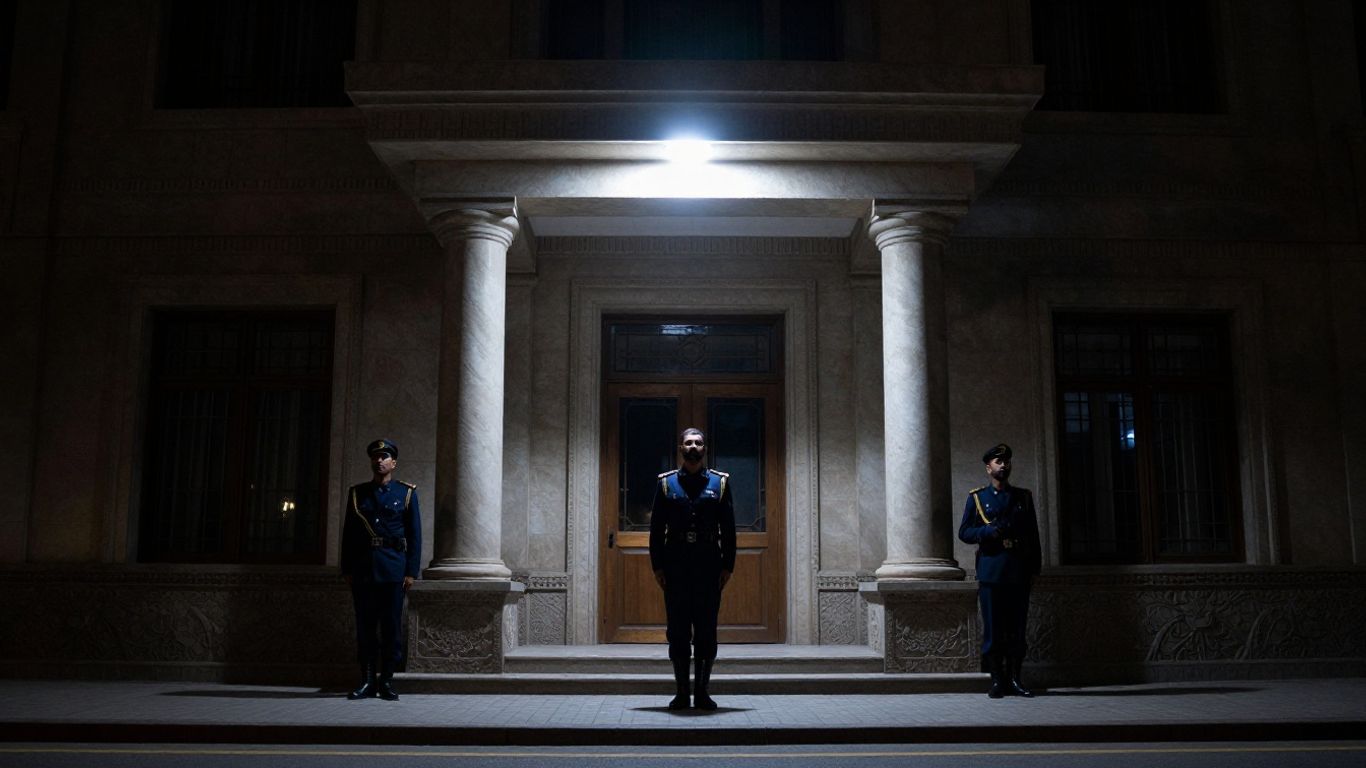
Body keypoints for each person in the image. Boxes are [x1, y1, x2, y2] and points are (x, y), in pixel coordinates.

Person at [649, 427, 737, 710]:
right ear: (680, 448)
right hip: (675, 566)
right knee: (677, 630)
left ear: (705, 449)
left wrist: (728, 565)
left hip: (708, 565)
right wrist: (657, 566)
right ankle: (681, 692)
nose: (694, 447)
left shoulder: (720, 484)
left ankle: (702, 692)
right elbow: (655, 530)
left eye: (698, 443)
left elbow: (729, 528)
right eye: (689, 442)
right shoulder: (666, 484)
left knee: (706, 629)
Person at [957, 443, 1041, 699]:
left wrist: (1034, 568)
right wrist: (986, 532)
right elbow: (964, 532)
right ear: (988, 467)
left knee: (1016, 627)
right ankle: (997, 680)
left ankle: (1016, 678)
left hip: (1017, 571)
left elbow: (1032, 535)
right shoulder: (977, 498)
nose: (1003, 465)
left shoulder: (1023, 497)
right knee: (993, 628)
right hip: (991, 571)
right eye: (997, 461)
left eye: (1006, 461)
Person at [340, 438, 421, 701]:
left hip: (393, 570)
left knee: (390, 629)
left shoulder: (406, 493)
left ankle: (386, 681)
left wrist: (411, 571)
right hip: (364, 570)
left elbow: (415, 535)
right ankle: (366, 681)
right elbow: (349, 536)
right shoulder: (357, 493)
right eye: (375, 457)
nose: (379, 461)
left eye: (385, 457)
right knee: (365, 628)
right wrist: (347, 569)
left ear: (393, 463)